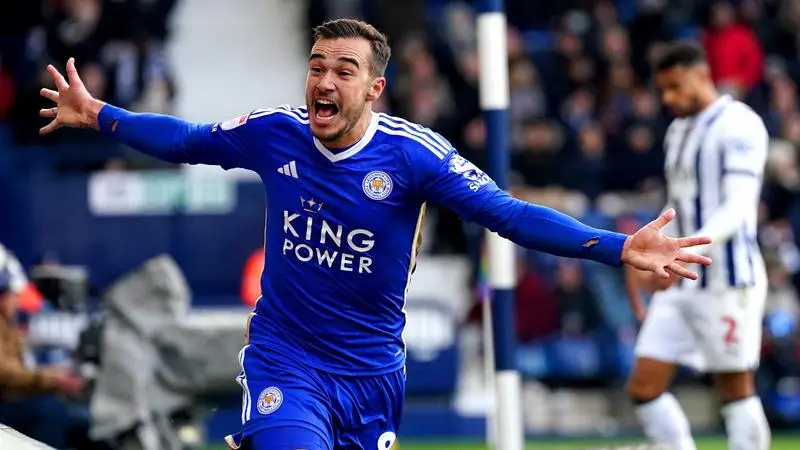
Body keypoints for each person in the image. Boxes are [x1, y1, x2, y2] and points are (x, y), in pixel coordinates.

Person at [39, 19, 711, 450]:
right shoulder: (276, 133)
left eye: (344, 70)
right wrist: (100, 115)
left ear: (374, 88)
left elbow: (508, 214)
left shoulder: (416, 157)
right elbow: (187, 140)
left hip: (371, 375)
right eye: (317, 66)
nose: (324, 81)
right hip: (286, 358)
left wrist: (617, 246)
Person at [624, 41, 770, 450]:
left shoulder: (740, 124)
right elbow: (679, 203)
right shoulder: (677, 131)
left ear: (702, 75)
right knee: (644, 386)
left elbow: (738, 208)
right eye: (663, 90)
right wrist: (647, 249)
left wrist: (680, 253)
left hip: (727, 280)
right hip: (680, 277)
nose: (668, 98)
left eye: (676, 87)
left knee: (735, 387)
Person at [0, 262, 87, 448]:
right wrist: (53, 379)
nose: (17, 302)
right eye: (13, 296)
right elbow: (6, 374)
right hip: (5, 404)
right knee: (51, 412)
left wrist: (54, 376)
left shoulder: (8, 324)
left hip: (11, 398)